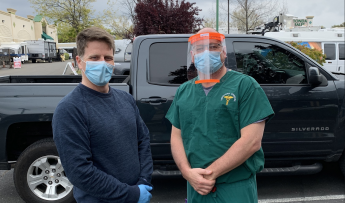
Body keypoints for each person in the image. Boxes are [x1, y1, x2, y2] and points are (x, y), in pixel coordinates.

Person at [165, 28, 275, 203]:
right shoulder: (184, 90)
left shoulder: (245, 86)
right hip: (196, 187)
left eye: (213, 47)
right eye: (200, 49)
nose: (206, 53)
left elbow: (251, 142)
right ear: (192, 56)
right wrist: (187, 173)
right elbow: (176, 137)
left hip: (234, 187)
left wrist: (209, 175)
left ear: (223, 53)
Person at [52, 27, 153, 203]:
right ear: (79, 61)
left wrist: (143, 181)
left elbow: (143, 140)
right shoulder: (70, 109)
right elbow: (79, 171)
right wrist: (131, 194)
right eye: (94, 58)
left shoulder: (125, 99)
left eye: (108, 58)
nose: (103, 63)